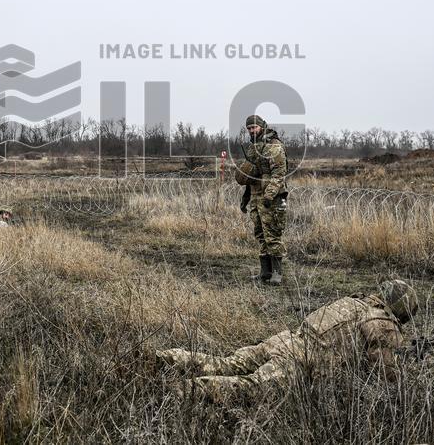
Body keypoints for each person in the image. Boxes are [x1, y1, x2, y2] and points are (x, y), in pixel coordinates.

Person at [155, 280, 418, 402]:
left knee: (225, 364)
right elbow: (383, 367)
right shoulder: (383, 321)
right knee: (251, 389)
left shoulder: (354, 300)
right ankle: (180, 391)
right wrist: (405, 391)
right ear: (403, 309)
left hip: (284, 340)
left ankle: (166, 357)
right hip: (298, 359)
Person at [234, 114, 289, 285]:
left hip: (272, 197)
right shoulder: (252, 147)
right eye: (249, 128)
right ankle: (265, 273)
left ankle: (277, 274)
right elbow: (251, 177)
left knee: (272, 234)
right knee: (261, 234)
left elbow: (279, 174)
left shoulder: (274, 146)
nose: (252, 131)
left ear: (262, 126)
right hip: (257, 196)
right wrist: (246, 197)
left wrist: (269, 195)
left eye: (254, 127)